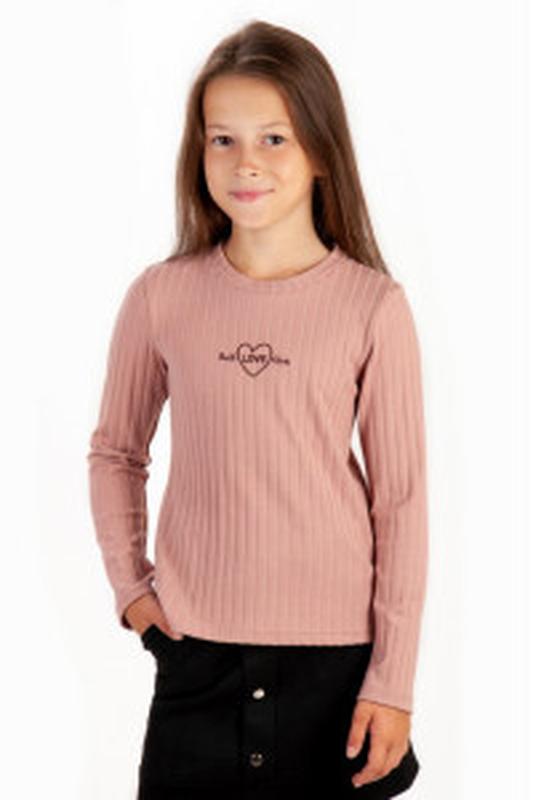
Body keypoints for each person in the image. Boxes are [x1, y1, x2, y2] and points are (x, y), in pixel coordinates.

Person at [87, 18, 429, 800]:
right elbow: (115, 453)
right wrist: (132, 590)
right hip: (194, 655)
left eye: (274, 138)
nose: (246, 162)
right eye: (223, 139)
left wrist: (393, 680)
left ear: (320, 151)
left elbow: (401, 502)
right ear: (198, 151)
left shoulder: (373, 307)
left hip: (336, 667)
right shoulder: (161, 296)